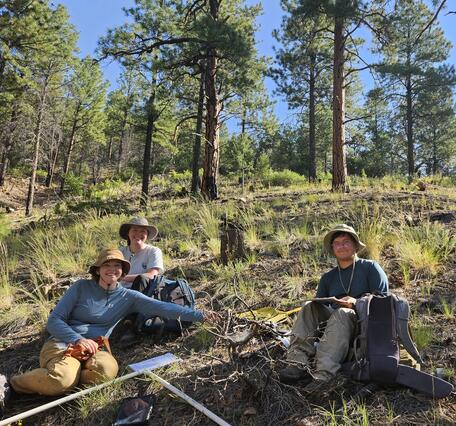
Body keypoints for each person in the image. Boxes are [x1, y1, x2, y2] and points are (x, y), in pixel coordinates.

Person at [0, 248, 211, 411]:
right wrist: (77, 339)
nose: (112, 269)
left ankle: (71, 379)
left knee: (107, 372)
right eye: (107, 265)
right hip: (63, 344)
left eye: (117, 266)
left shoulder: (129, 297)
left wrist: (202, 316)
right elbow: (54, 320)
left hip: (97, 349)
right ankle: (11, 384)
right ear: (98, 269)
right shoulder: (81, 287)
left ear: (123, 271)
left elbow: (163, 308)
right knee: (61, 380)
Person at [278, 224, 388, 391]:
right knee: (309, 307)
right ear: (332, 248)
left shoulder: (370, 268)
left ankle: (324, 375)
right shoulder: (328, 278)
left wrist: (356, 302)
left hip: (362, 324)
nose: (341, 246)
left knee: (342, 312)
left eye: (346, 242)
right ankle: (296, 363)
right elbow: (320, 306)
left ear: (355, 245)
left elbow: (383, 301)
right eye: (337, 243)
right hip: (333, 327)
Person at [117, 217, 164, 346]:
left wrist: (124, 278)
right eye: (135, 230)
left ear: (147, 235)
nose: (138, 234)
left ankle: (131, 327)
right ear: (128, 233)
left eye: (142, 231)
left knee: (142, 279)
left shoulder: (153, 251)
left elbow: (152, 274)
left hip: (143, 290)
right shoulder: (120, 252)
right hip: (119, 290)